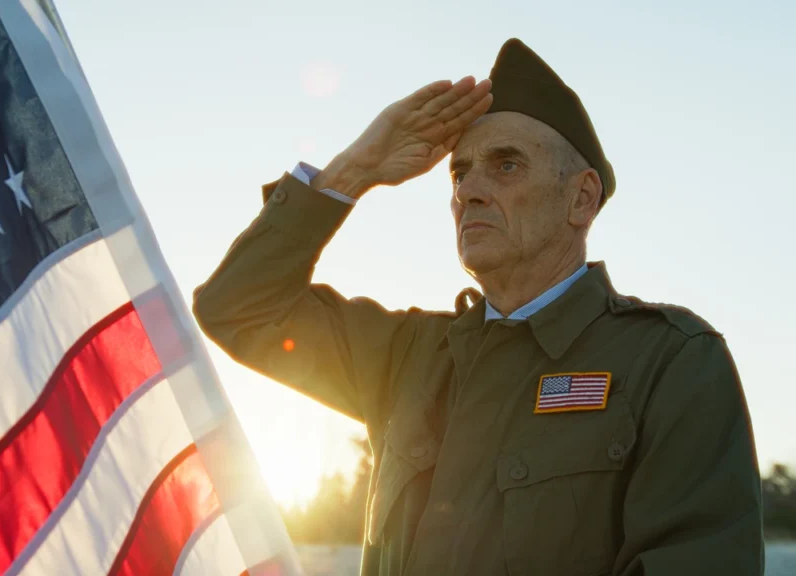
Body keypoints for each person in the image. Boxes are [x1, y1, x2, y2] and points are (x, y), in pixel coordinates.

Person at [192, 38, 764, 576]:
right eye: (460, 173)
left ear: (581, 198)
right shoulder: (407, 356)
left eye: (506, 165)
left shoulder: (670, 361)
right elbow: (237, 308)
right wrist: (356, 169)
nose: (468, 191)